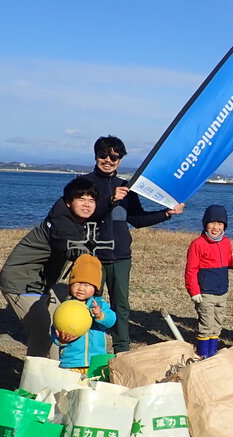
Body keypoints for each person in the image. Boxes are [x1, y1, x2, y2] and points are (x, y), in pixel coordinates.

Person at [72, 135, 185, 353]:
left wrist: (166, 214)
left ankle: (121, 349)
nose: (108, 160)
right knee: (87, 303)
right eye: (103, 155)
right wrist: (110, 200)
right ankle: (83, 348)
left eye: (114, 156)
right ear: (95, 156)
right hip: (91, 256)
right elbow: (82, 215)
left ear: (120, 160)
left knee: (121, 306)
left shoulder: (126, 187)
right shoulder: (83, 184)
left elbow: (137, 219)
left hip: (121, 257)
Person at [0, 177, 98, 358]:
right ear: (68, 202)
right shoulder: (61, 223)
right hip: (20, 281)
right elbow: (65, 243)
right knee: (43, 335)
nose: (87, 205)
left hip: (40, 284)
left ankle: (56, 375)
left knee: (59, 328)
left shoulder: (74, 220)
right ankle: (36, 380)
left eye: (91, 200)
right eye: (81, 199)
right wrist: (84, 257)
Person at [184, 204, 233, 358]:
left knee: (217, 325)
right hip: (205, 293)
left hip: (222, 291)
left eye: (220, 224)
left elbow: (229, 261)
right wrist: (194, 291)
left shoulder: (226, 242)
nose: (215, 227)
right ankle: (204, 355)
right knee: (206, 325)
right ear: (205, 224)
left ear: (224, 226)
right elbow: (191, 270)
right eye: (212, 223)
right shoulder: (198, 244)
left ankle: (213, 353)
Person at [53, 254, 116, 372]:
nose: (81, 288)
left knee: (92, 388)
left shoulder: (99, 304)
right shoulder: (66, 308)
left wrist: (100, 315)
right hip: (71, 361)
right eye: (77, 283)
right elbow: (54, 329)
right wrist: (61, 341)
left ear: (95, 288)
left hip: (96, 362)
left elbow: (111, 320)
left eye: (87, 285)